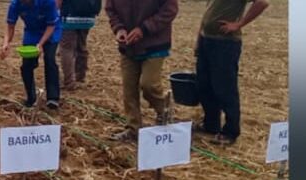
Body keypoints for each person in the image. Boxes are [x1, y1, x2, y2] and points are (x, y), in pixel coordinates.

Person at [194, 0, 269, 145]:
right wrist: (199, 40)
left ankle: (230, 131)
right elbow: (207, 15)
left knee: (225, 88)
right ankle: (211, 125)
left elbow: (262, 3)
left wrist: (238, 24)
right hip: (206, 40)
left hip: (225, 44)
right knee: (204, 85)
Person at [104, 0, 177, 141]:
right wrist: (119, 28)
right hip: (129, 46)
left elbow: (170, 10)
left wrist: (144, 29)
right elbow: (110, 9)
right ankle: (133, 128)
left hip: (154, 43)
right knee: (129, 89)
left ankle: (164, 112)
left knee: (149, 85)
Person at [1, 0, 62, 109]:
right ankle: (31, 98)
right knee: (26, 65)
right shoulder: (15, 4)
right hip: (32, 32)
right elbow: (10, 26)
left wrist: (41, 44)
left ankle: (53, 98)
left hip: (51, 31)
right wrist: (6, 43)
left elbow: (51, 26)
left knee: (49, 59)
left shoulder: (47, 2)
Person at [57, 0, 101, 90]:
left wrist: (55, 12)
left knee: (66, 49)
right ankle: (80, 76)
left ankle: (69, 82)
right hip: (88, 17)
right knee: (81, 45)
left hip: (69, 17)